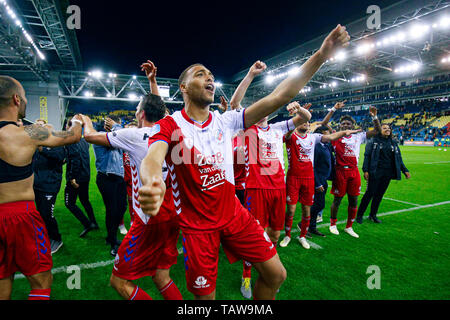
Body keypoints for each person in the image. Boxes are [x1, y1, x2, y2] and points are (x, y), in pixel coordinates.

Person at [138, 24, 350, 300]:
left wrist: (321, 55)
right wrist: (153, 182)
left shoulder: (227, 121)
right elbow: (152, 159)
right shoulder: (169, 124)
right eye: (200, 74)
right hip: (198, 226)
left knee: (276, 275)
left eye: (211, 75)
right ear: (184, 87)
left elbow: (280, 96)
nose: (209, 78)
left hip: (234, 214)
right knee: (205, 298)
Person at [83, 60, 182, 300]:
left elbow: (89, 137)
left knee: (119, 282)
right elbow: (161, 111)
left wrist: (83, 120)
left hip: (148, 219)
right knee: (162, 276)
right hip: (172, 215)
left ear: (141, 113)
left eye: (138, 107)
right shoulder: (173, 129)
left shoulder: (134, 134)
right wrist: (152, 82)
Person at [0, 75, 82, 300]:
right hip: (19, 215)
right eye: (25, 97)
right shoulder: (27, 133)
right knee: (41, 282)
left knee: (2, 281)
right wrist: (77, 121)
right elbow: (73, 136)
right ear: (16, 99)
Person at [280, 104, 360, 249]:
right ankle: (287, 236)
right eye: (303, 120)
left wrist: (344, 132)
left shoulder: (314, 137)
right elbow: (288, 131)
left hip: (309, 178)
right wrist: (299, 114)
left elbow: (330, 137)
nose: (306, 123)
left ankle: (302, 236)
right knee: (291, 209)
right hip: (293, 177)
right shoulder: (291, 136)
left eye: (308, 121)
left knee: (307, 209)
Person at [321, 102, 381, 238]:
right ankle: (333, 224)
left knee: (354, 200)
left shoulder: (358, 136)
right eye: (344, 124)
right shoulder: (335, 135)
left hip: (354, 172)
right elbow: (324, 124)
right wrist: (334, 109)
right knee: (337, 199)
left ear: (352, 126)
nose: (346, 125)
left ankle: (349, 226)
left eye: (348, 124)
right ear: (340, 125)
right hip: (340, 171)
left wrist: (375, 117)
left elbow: (377, 131)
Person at [356, 124, 411, 223]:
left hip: (388, 173)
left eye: (389, 128)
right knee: (369, 194)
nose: (387, 130)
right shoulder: (373, 141)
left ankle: (373, 215)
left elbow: (398, 158)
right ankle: (359, 215)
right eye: (384, 128)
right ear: (379, 130)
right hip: (375, 171)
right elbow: (367, 156)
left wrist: (405, 170)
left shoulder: (393, 142)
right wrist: (365, 170)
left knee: (379, 195)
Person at [92, 115, 128, 256]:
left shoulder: (116, 137)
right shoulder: (101, 136)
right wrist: (116, 127)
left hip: (118, 178)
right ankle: (112, 242)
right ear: (108, 125)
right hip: (106, 178)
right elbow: (120, 138)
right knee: (112, 210)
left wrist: (116, 128)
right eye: (115, 124)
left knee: (122, 207)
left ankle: (111, 236)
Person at [32, 120, 67, 254]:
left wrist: (42, 149)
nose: (40, 128)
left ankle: (56, 239)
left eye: (43, 126)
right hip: (36, 185)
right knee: (39, 214)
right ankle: (44, 237)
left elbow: (60, 157)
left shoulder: (56, 142)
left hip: (49, 185)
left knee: (47, 214)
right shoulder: (35, 144)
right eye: (38, 125)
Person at [64, 118, 99, 237]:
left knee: (69, 203)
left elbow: (75, 159)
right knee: (85, 200)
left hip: (76, 177)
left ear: (69, 127)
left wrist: (72, 177)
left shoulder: (71, 141)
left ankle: (87, 224)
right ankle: (94, 222)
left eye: (66, 127)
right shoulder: (84, 141)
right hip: (85, 176)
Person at [308, 125, 335, 237]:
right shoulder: (317, 147)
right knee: (319, 204)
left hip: (324, 179)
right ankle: (304, 224)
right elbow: (312, 166)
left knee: (319, 204)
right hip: (318, 180)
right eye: (328, 133)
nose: (331, 135)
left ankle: (312, 227)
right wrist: (317, 182)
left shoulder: (327, 146)